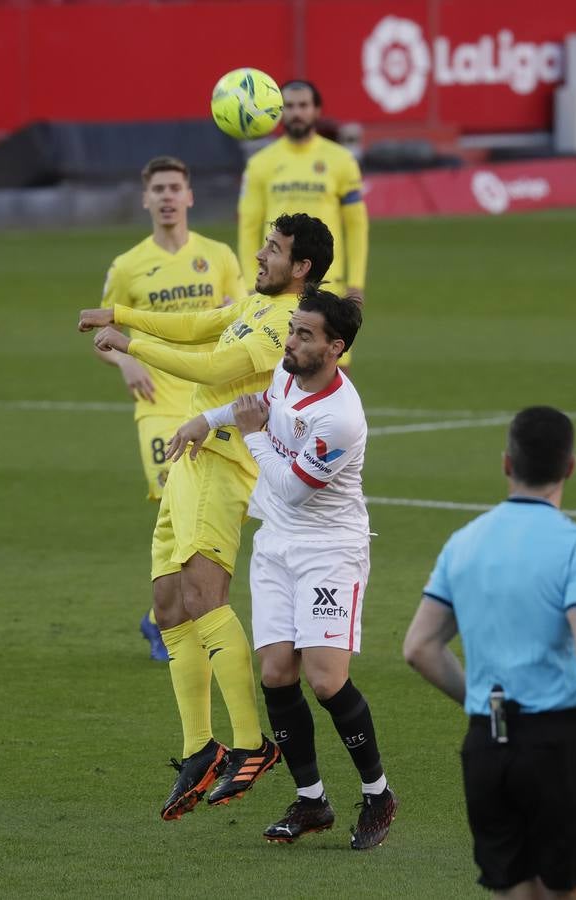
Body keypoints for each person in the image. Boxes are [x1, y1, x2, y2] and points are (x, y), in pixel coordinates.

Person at [78, 213, 334, 820]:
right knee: (168, 602)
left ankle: (250, 743)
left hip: (224, 465)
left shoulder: (284, 323)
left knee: (204, 595)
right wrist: (123, 314)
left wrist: (131, 345)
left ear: (301, 268)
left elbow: (219, 369)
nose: (261, 253)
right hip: (190, 459)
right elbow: (203, 325)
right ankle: (200, 747)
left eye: (273, 249)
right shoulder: (255, 302)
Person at [166, 286, 397, 850]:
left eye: (303, 334)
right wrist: (206, 418)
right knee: (276, 674)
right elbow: (258, 405)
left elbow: (292, 489)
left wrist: (247, 435)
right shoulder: (289, 373)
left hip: (329, 549)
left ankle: (378, 793)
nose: (290, 341)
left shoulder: (341, 419)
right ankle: (312, 800)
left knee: (325, 678)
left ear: (335, 348)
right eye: (292, 329)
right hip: (276, 546)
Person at [403, 406, 576, 898]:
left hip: (487, 745)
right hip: (555, 743)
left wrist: (482, 700)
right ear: (571, 467)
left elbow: (420, 648)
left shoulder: (463, 543)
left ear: (506, 464)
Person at [94, 155, 246, 662]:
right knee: (173, 504)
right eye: (156, 188)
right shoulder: (127, 266)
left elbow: (240, 318)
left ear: (189, 196)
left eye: (173, 187)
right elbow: (104, 337)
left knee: (209, 511)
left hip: (209, 402)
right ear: (146, 198)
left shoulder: (219, 257)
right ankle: (171, 617)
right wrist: (125, 365)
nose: (165, 196)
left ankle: (160, 613)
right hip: (158, 404)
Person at [238, 79, 368, 371]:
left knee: (335, 365)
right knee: (274, 364)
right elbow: (248, 227)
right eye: (290, 106)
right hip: (277, 281)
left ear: (316, 110)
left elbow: (357, 227)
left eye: (303, 106)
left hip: (328, 282)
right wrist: (249, 282)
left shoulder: (341, 160)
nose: (296, 112)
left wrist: (356, 282)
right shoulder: (260, 163)